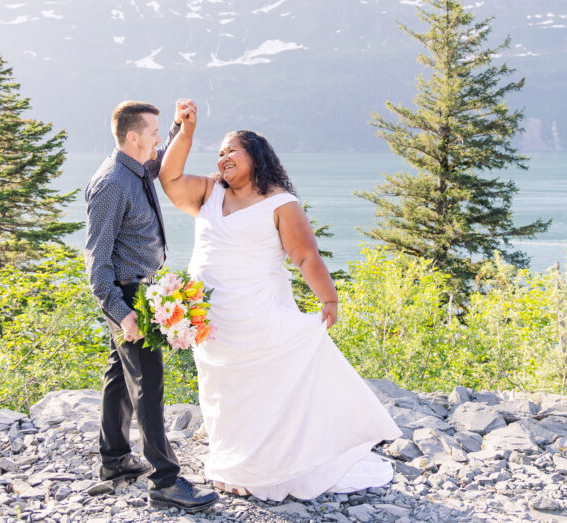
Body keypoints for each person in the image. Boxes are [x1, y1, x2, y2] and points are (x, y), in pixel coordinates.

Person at [158, 106, 401, 501]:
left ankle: (273, 471)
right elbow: (168, 178)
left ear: (256, 156)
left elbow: (306, 257)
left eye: (232, 150)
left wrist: (329, 298)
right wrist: (184, 133)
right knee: (224, 393)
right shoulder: (208, 191)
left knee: (266, 393)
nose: (223, 158)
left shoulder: (280, 203)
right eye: (219, 152)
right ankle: (235, 466)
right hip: (211, 323)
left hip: (258, 316)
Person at [84, 99, 219, 513]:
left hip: (143, 291)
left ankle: (115, 461)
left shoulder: (137, 166)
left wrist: (182, 127)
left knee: (118, 377)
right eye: (155, 132)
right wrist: (122, 312)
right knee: (149, 387)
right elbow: (96, 262)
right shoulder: (110, 183)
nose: (159, 140)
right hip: (128, 296)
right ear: (132, 137)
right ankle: (165, 481)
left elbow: (162, 158)